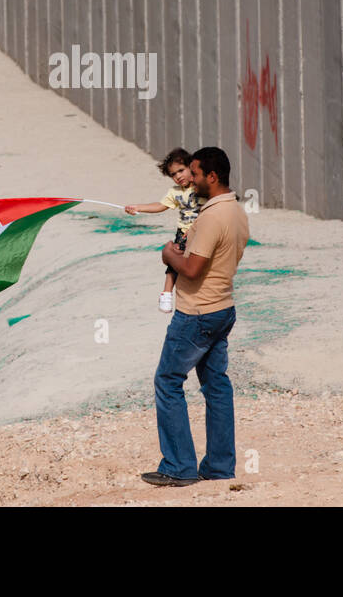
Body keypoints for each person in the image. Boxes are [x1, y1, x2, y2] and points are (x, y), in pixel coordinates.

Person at [141, 146, 250, 488]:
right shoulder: (235, 211)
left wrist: (168, 255)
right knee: (216, 386)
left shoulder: (211, 217)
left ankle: (178, 466)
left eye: (196, 174)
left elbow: (192, 266)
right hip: (223, 308)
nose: (190, 179)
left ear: (212, 177)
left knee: (168, 381)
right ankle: (219, 466)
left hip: (197, 313)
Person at [124, 148, 204, 313]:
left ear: (191, 167)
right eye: (174, 174)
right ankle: (167, 293)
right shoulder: (175, 192)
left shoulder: (200, 187)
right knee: (174, 262)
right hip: (183, 233)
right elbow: (160, 206)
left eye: (181, 170)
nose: (178, 176)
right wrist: (138, 207)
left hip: (202, 232)